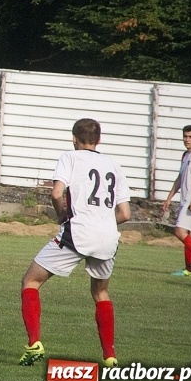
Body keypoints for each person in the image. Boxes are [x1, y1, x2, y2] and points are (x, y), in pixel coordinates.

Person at [19, 118, 131, 368]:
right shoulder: (114, 165)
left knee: (31, 281)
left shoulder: (69, 157)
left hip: (77, 232)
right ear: (99, 140)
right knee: (100, 293)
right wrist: (102, 221)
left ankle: (34, 343)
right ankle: (110, 356)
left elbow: (57, 193)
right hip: (107, 237)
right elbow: (125, 214)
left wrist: (62, 214)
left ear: (74, 138)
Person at [161, 125, 191, 277]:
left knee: (179, 231)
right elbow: (180, 178)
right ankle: (189, 269)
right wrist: (169, 198)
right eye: (185, 136)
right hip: (185, 199)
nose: (187, 139)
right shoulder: (186, 155)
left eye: (190, 137)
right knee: (188, 233)